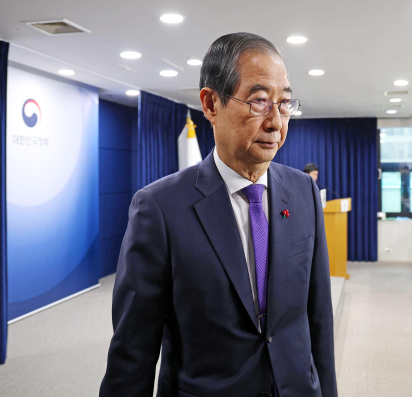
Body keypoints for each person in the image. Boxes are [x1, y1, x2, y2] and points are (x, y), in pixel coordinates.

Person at [100, 33, 337, 397]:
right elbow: (133, 354)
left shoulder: (303, 191)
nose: (276, 122)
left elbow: (318, 319)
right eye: (259, 102)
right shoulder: (159, 208)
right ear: (211, 104)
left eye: (284, 103)